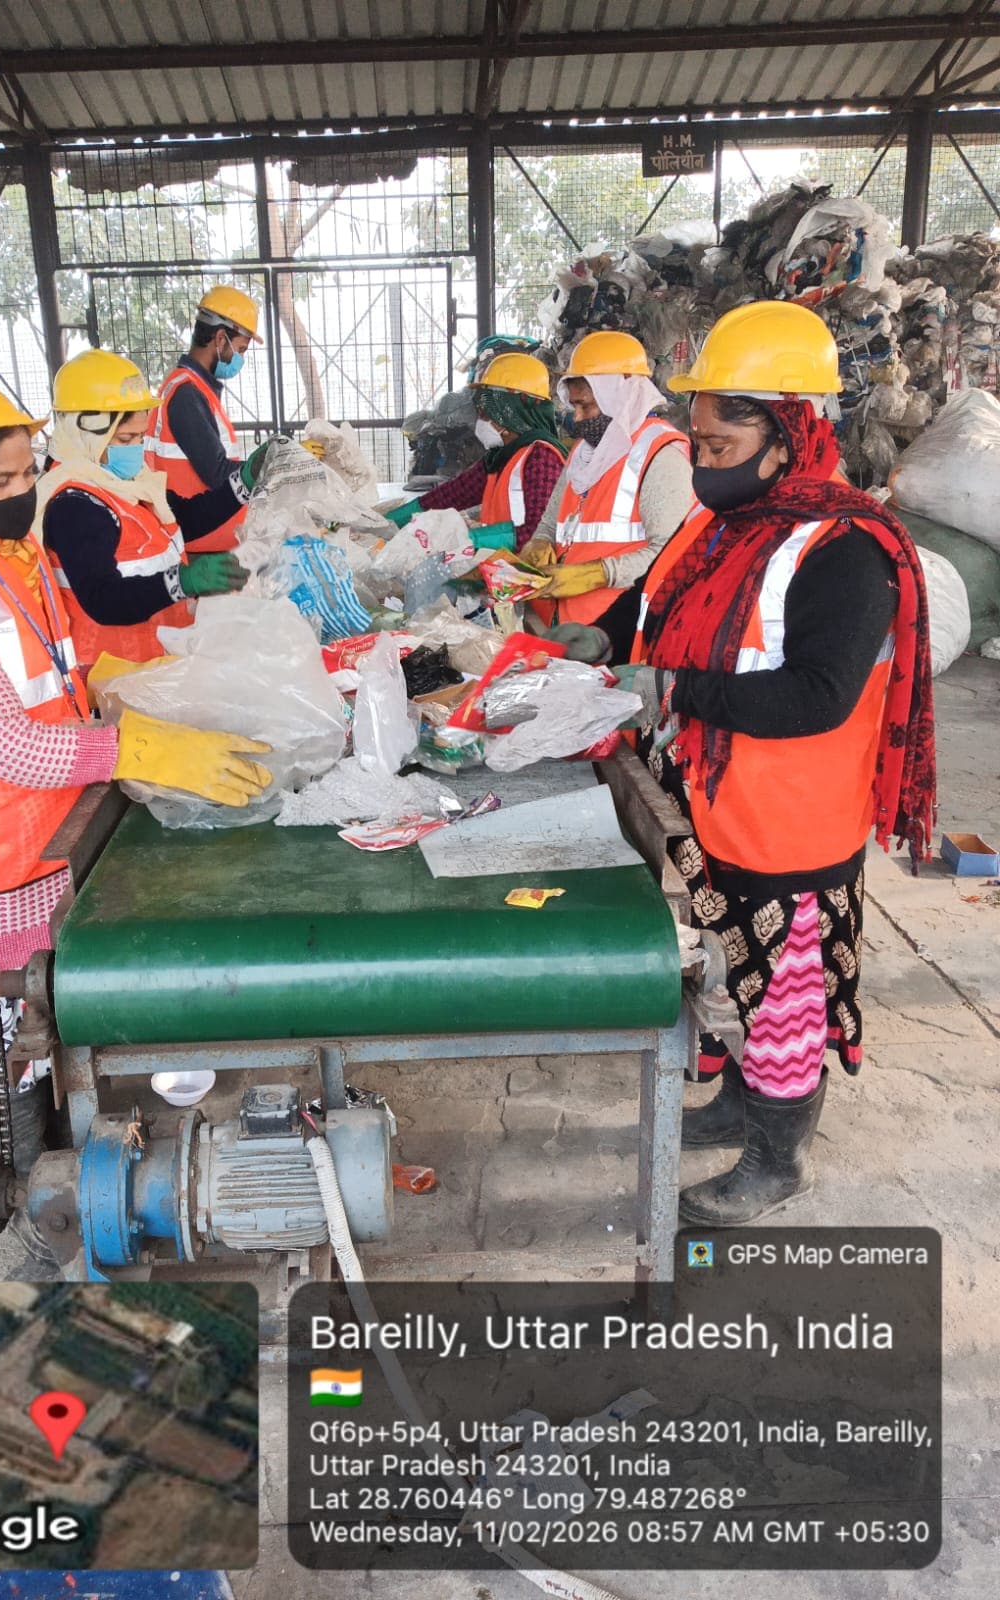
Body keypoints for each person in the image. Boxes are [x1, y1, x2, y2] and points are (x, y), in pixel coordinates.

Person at [0, 377, 274, 1230]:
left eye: (27, 474)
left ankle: (80, 1163)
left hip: (44, 828)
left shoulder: (9, 555)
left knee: (51, 1019)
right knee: (5, 1057)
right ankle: (41, 1206)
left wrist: (127, 690)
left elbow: (61, 666)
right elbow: (7, 743)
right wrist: (136, 747)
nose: (22, 497)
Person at [599, 302, 936, 1225]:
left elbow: (819, 695)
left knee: (784, 992)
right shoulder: (729, 527)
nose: (703, 462)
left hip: (794, 822)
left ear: (788, 433)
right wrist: (590, 634)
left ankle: (779, 1158)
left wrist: (674, 692)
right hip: (721, 805)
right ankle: (744, 1103)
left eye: (721, 443)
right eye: (698, 442)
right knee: (730, 969)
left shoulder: (845, 548)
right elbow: (651, 598)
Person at [38, 349, 264, 675]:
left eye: (140, 437)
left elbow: (189, 517)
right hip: (113, 677)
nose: (135, 449)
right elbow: (103, 598)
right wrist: (182, 581)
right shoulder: (74, 504)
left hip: (155, 663)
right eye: (126, 438)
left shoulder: (129, 484)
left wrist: (244, 481)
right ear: (85, 433)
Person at [523, 331, 692, 654]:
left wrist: (600, 574)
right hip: (573, 636)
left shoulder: (660, 454)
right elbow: (550, 522)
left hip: (623, 641)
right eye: (573, 406)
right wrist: (539, 543)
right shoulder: (583, 454)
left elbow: (673, 557)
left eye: (585, 406)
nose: (577, 418)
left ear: (620, 395)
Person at [382, 352, 566, 552]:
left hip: (528, 573)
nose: (482, 421)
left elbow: (538, 534)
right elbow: (452, 495)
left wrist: (465, 539)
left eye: (488, 413)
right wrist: (387, 523)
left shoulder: (542, 458)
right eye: (481, 413)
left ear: (512, 408)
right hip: (500, 570)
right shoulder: (500, 457)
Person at [144, 284, 263, 553]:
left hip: (206, 534)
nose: (241, 359)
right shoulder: (187, 394)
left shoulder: (197, 389)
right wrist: (270, 467)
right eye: (241, 350)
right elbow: (218, 473)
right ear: (221, 339)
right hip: (198, 540)